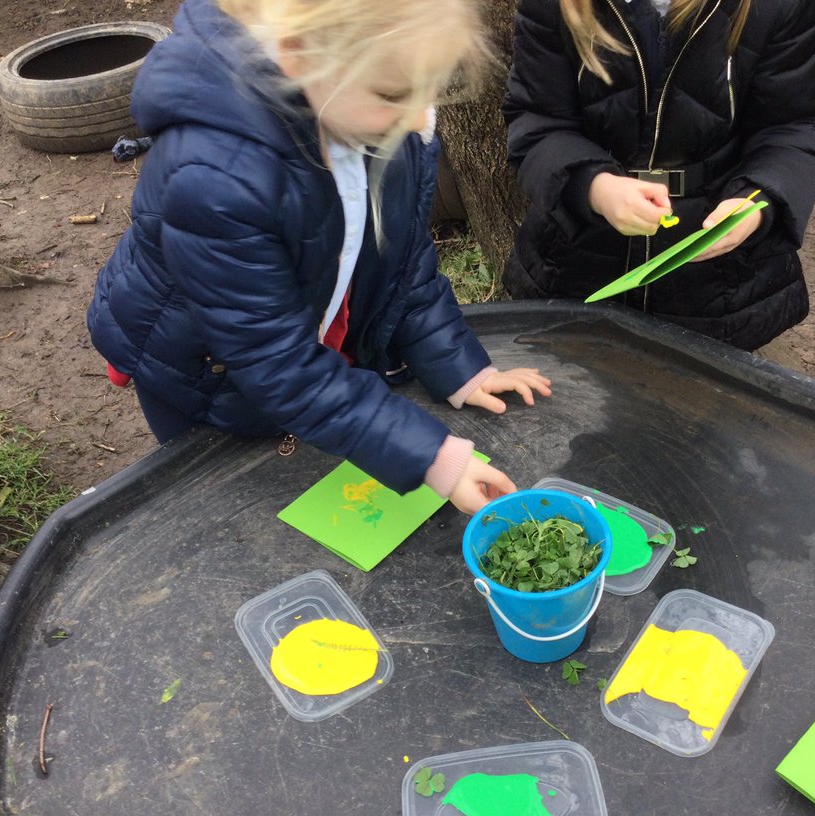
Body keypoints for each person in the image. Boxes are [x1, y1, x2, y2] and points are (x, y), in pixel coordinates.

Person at [88, 0, 551, 514]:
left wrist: (460, 368)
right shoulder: (217, 177)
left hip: (306, 340)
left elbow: (403, 265)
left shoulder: (370, 115)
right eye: (395, 94)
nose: (419, 116)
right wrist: (435, 458)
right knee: (231, 503)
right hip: (203, 371)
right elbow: (275, 360)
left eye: (431, 88)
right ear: (299, 55)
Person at [502, 0, 815, 351]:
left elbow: (792, 127)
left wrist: (756, 203)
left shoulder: (776, 7)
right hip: (574, 269)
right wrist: (594, 187)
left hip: (719, 290)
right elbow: (537, 121)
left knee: (701, 383)